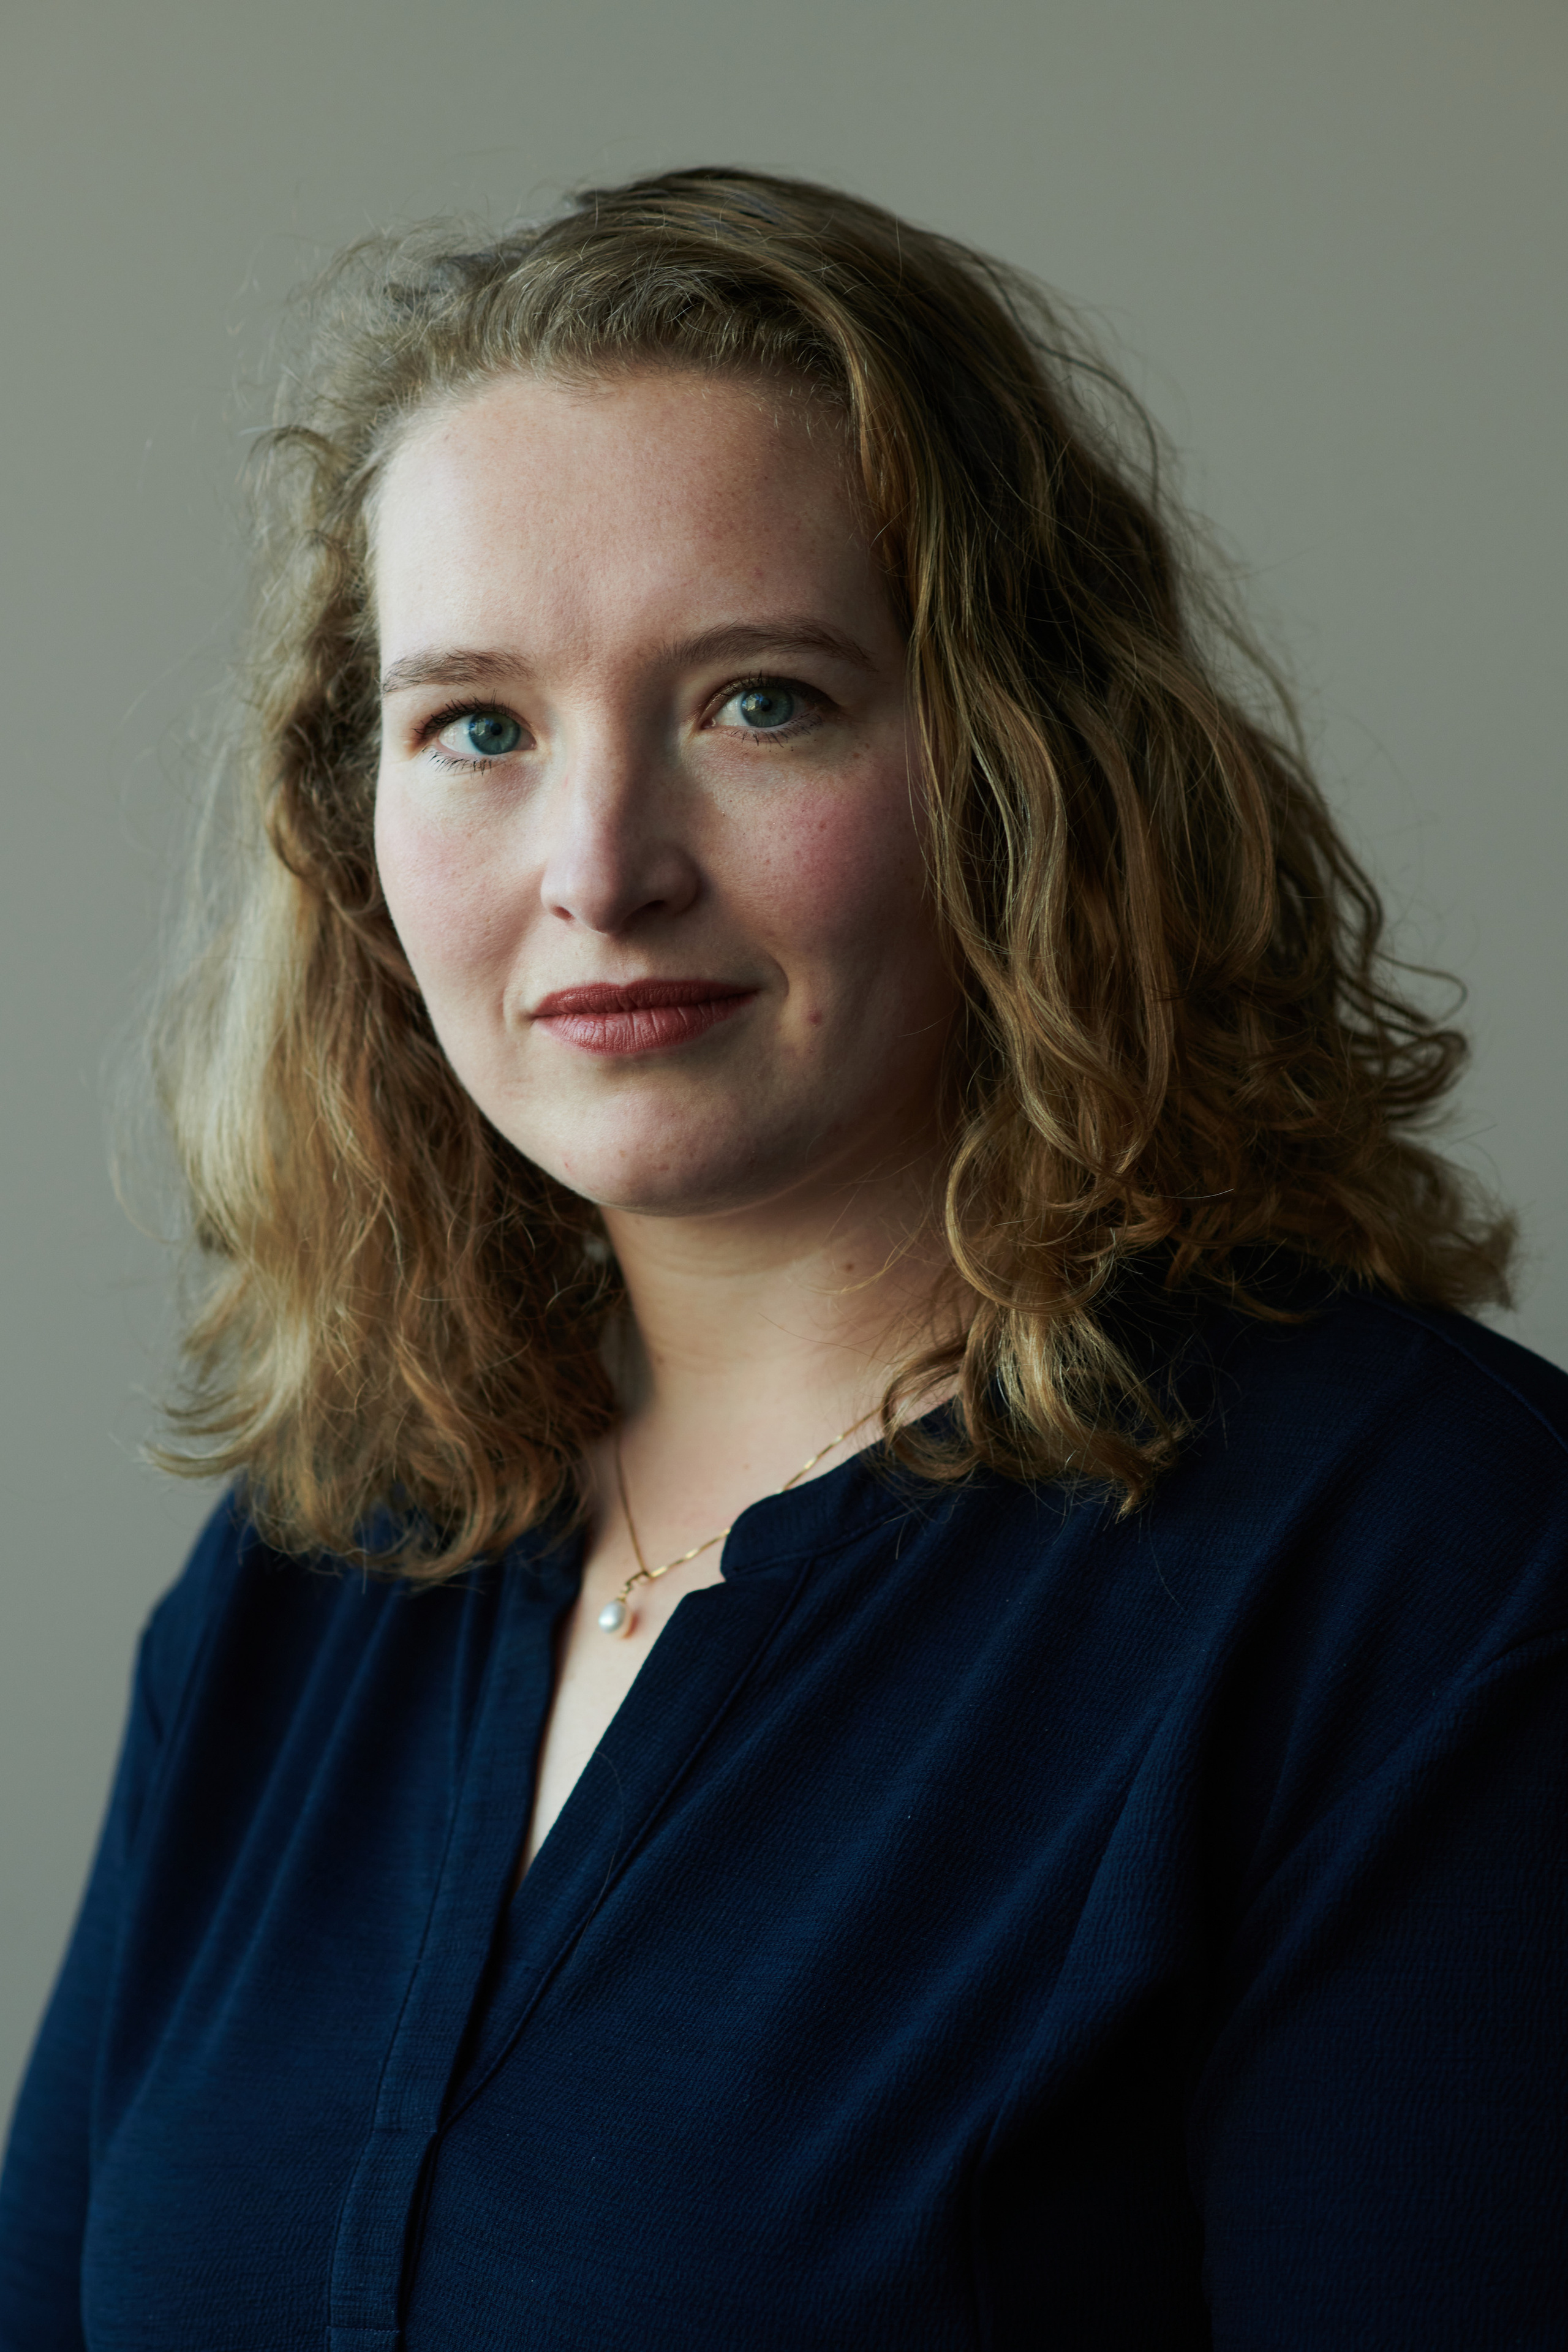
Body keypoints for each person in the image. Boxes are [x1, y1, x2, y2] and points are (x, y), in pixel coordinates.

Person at [0, 165, 1563, 2350]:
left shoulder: (1437, 1568)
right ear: (354, 827)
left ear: (1021, 768)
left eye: (760, 701)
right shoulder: (310, 1566)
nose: (601, 867)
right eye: (478, 726)